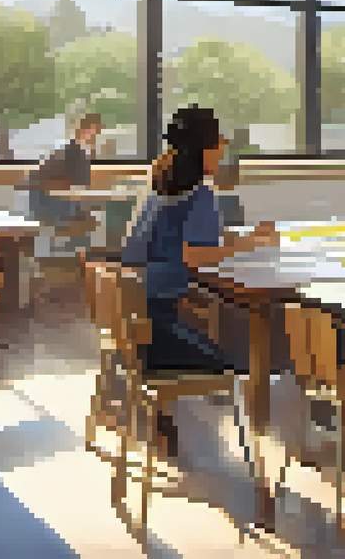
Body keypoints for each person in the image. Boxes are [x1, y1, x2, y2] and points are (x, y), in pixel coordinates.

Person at [121, 106, 279, 452]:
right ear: (203, 147)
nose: (224, 144)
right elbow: (195, 255)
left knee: (213, 312)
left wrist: (241, 240)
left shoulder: (158, 183)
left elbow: (171, 246)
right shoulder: (200, 193)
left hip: (135, 329)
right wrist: (253, 242)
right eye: (218, 138)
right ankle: (262, 448)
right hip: (160, 334)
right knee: (244, 353)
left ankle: (161, 417)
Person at [18, 112, 103, 252]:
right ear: (82, 131)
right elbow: (64, 185)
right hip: (48, 203)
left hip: (52, 201)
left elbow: (79, 185)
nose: (94, 138)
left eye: (96, 134)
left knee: (89, 218)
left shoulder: (77, 152)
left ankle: (76, 256)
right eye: (92, 133)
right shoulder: (72, 152)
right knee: (87, 219)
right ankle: (75, 256)